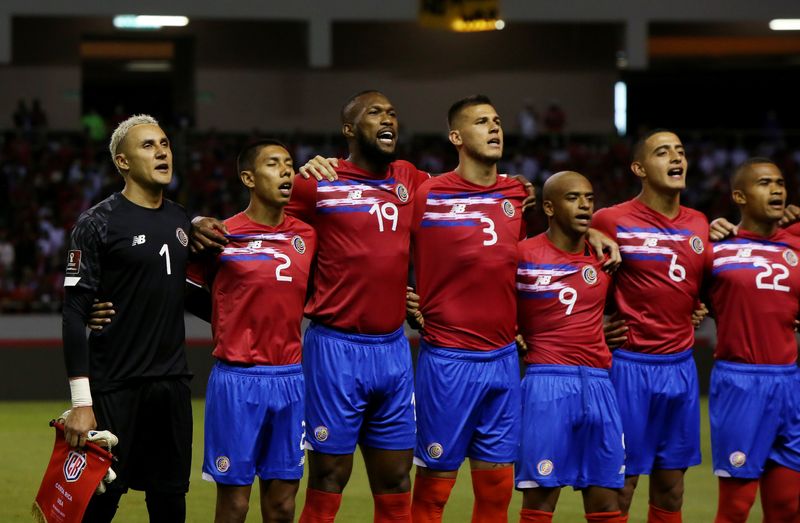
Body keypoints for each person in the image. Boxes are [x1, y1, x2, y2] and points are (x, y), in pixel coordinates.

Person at [193, 90, 430, 522]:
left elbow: (460, 219)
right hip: (333, 349)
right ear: (349, 129)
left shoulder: (410, 180)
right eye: (374, 112)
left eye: (392, 112)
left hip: (394, 350)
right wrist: (192, 223)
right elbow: (258, 218)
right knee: (329, 473)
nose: (387, 117)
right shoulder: (315, 181)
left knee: (397, 478)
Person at [409, 96, 617, 523]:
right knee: (433, 492)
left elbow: (538, 252)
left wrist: (591, 232)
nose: (494, 128)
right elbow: (384, 247)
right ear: (456, 137)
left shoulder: (516, 194)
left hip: (503, 360)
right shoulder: (428, 194)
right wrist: (400, 294)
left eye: (497, 121)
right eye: (481, 122)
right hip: (448, 357)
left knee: (497, 491)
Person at [62, 114, 192, 522]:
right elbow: (73, 311)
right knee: (98, 505)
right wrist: (82, 404)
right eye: (149, 146)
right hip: (115, 388)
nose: (162, 152)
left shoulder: (182, 220)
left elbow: (184, 291)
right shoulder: (96, 222)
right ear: (122, 161)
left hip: (171, 387)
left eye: (165, 144)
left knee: (170, 505)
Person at [186, 140, 316, 523]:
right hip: (238, 381)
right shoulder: (220, 235)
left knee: (281, 506)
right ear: (248, 178)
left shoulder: (308, 236)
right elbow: (180, 290)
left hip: (291, 379)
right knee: (235, 505)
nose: (286, 172)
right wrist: (229, 319)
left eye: (289, 165)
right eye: (273, 165)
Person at [591, 129, 710, 523]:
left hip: (680, 368)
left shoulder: (700, 224)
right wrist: (595, 330)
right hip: (629, 368)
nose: (676, 157)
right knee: (621, 487)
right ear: (639, 167)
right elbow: (573, 274)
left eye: (680, 150)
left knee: (672, 489)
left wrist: (698, 306)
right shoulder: (610, 220)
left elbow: (706, 287)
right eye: (663, 152)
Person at [514, 171, 625, 523]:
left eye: (589, 198)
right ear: (549, 206)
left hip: (599, 384)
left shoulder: (605, 256)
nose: (584, 205)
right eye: (573, 198)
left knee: (609, 503)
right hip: (547, 385)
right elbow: (492, 302)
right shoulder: (523, 255)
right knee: (540, 502)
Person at [707, 158, 800, 523]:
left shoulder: (796, 242)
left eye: (779, 182)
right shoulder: (716, 248)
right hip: (740, 384)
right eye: (764, 183)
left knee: (789, 507)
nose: (776, 189)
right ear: (739, 196)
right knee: (735, 507)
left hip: (790, 383)